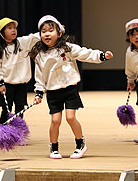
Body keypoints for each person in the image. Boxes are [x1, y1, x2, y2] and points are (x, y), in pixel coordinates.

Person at [29, 15, 113, 159]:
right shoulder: (40, 54)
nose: (47, 34)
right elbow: (39, 76)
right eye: (43, 31)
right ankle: (53, 148)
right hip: (53, 91)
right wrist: (38, 92)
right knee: (55, 120)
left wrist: (102, 56)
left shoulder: (68, 48)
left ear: (59, 32)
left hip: (69, 89)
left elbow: (85, 53)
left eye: (50, 30)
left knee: (70, 118)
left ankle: (80, 144)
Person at [0, 17, 39, 124]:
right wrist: (0, 83)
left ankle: (18, 132)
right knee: (6, 109)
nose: (13, 30)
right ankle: (4, 132)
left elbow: (35, 37)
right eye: (9, 28)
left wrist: (56, 29)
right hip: (6, 84)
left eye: (14, 28)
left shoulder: (23, 42)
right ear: (2, 32)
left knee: (20, 109)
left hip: (21, 84)